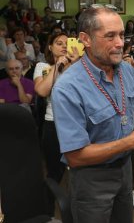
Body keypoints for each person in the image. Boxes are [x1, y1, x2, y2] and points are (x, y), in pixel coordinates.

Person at [51, 6, 134, 222]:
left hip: (125, 172)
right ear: (85, 39)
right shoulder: (67, 88)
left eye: (121, 34)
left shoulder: (126, 71)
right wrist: (131, 142)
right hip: (91, 181)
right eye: (110, 36)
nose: (120, 43)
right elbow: (75, 156)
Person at [33, 32, 80, 216]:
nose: (63, 46)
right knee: (54, 173)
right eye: (58, 43)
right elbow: (42, 91)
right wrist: (58, 65)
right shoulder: (43, 66)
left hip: (76, 126)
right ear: (50, 47)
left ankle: (77, 212)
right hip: (53, 125)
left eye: (67, 43)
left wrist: (74, 64)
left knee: (77, 173)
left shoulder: (78, 67)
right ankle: (48, 212)